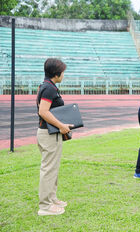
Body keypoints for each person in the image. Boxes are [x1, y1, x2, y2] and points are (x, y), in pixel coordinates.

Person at [36, 58, 73, 215]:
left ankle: (52, 198)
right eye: (63, 72)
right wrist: (61, 126)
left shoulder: (49, 86)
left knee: (53, 168)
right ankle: (45, 206)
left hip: (52, 134)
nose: (64, 75)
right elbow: (43, 112)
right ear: (57, 74)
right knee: (48, 169)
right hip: (48, 134)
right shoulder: (49, 89)